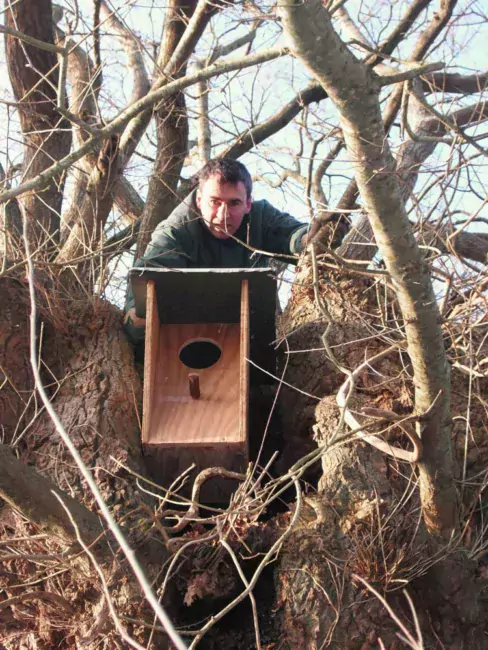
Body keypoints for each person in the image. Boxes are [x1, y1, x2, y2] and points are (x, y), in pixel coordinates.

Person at [124, 157, 314, 343]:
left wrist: (313, 239)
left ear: (248, 203)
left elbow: (294, 236)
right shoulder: (176, 231)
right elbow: (146, 282)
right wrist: (139, 319)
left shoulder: (261, 217)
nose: (224, 215)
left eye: (234, 203)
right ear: (199, 200)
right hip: (184, 342)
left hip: (251, 336)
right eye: (215, 202)